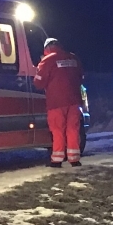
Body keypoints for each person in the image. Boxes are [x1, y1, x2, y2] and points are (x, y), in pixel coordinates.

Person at [33, 37, 84, 166]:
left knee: (57, 130)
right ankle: (74, 159)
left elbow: (38, 83)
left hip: (56, 103)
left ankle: (57, 160)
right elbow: (81, 77)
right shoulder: (73, 58)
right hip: (74, 101)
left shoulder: (47, 61)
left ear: (47, 48)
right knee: (73, 129)